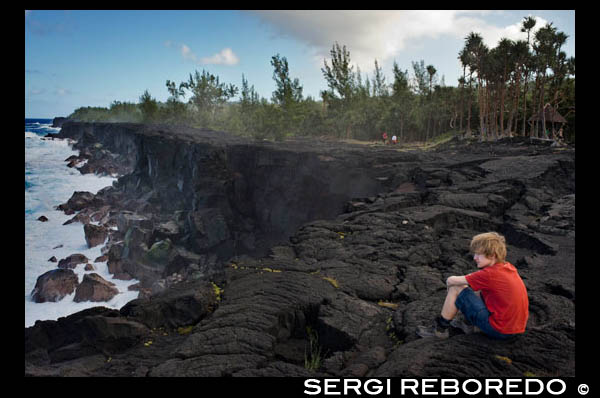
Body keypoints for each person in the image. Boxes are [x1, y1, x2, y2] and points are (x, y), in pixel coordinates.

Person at [416, 232, 529, 340]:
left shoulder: (489, 274)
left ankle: (440, 330)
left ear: (492, 255)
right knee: (477, 290)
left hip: (499, 330)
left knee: (456, 288)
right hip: (514, 329)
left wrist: (451, 292)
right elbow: (476, 282)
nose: (475, 258)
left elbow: (451, 280)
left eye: (479, 254)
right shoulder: (507, 267)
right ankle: (467, 324)